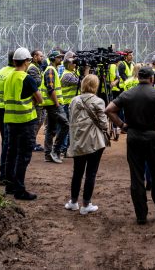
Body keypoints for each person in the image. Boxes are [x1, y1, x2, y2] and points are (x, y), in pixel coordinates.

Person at [105, 66, 155, 224]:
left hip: (134, 137)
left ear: (138, 78)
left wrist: (122, 125)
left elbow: (109, 109)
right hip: (153, 137)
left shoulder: (128, 94)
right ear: (152, 79)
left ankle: (141, 215)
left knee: (137, 177)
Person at [64, 74, 110, 215]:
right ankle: (86, 204)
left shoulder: (74, 100)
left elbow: (70, 119)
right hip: (95, 141)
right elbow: (103, 123)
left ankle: (73, 202)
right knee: (91, 172)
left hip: (78, 140)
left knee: (77, 172)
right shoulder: (99, 101)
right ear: (95, 86)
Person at [3, 47, 42, 200]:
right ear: (27, 61)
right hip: (26, 121)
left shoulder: (8, 77)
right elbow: (39, 99)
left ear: (14, 61)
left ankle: (10, 186)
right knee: (24, 155)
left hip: (11, 120)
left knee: (11, 153)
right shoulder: (26, 78)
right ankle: (20, 189)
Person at [43, 49, 69, 163]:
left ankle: (48, 154)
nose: (61, 59)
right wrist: (57, 104)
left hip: (52, 104)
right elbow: (50, 88)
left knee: (51, 129)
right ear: (53, 59)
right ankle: (55, 150)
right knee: (65, 125)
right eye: (59, 57)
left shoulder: (53, 69)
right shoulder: (50, 70)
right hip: (53, 104)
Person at [0, 50, 16, 185]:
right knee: (9, 143)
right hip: (9, 110)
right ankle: (6, 175)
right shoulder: (14, 74)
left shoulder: (0, 72)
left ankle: (4, 173)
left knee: (5, 142)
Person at [58, 52, 80, 157]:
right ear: (68, 64)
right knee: (66, 127)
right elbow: (81, 82)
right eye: (73, 63)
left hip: (71, 104)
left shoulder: (73, 72)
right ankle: (64, 149)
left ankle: (68, 148)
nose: (75, 64)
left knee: (71, 127)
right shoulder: (67, 75)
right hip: (66, 104)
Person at [28, 49, 46, 152]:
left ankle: (32, 142)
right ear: (34, 57)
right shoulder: (32, 68)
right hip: (35, 100)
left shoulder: (37, 67)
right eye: (40, 56)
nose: (42, 58)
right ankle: (31, 143)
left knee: (40, 120)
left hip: (40, 99)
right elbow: (37, 83)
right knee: (36, 121)